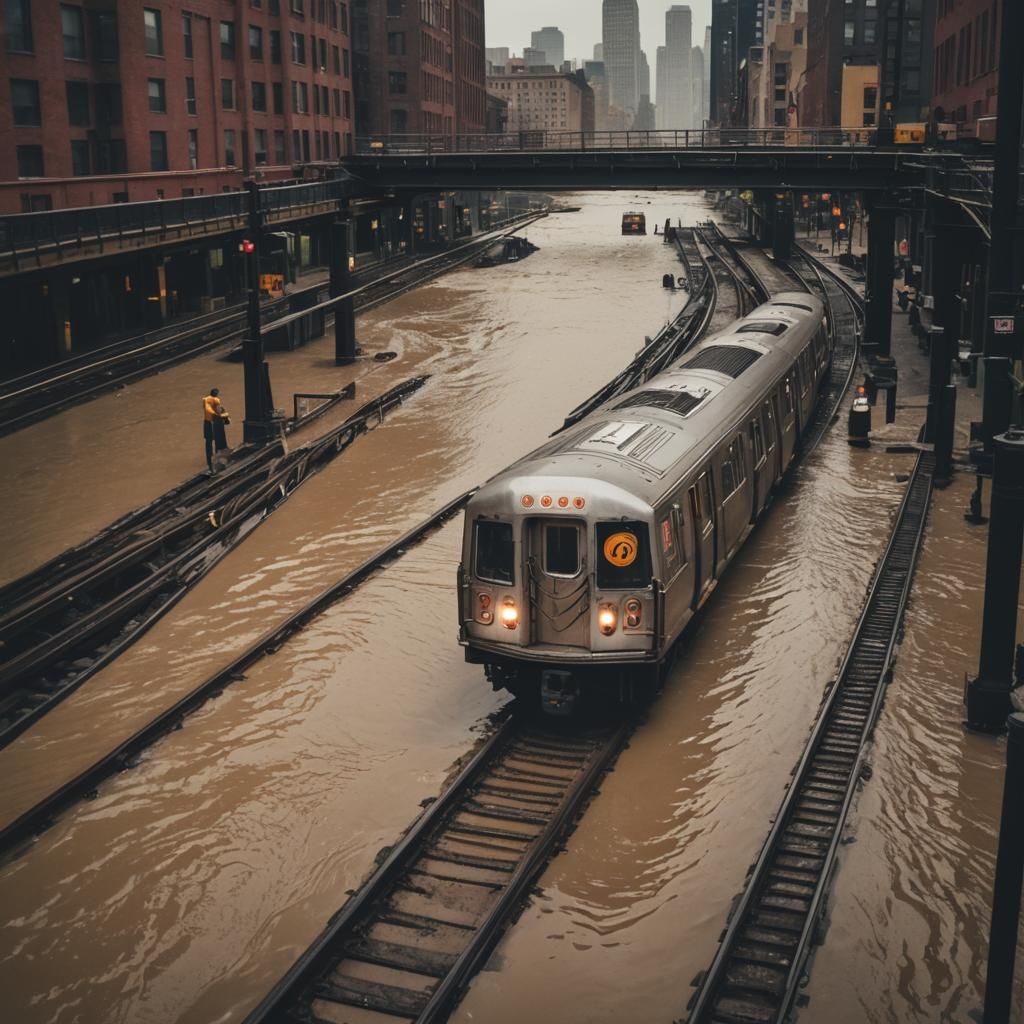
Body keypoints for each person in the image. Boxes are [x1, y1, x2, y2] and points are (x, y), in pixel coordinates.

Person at [203, 387, 230, 473]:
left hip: (208, 424)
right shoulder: (215, 403)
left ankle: (210, 461)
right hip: (213, 424)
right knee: (216, 442)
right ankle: (213, 461)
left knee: (209, 442)